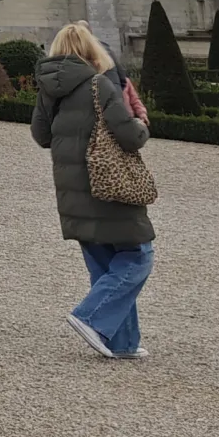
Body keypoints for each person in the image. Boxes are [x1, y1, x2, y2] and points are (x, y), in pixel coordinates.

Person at [32, 19, 155, 360]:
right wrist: (142, 124)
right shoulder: (100, 84)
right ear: (91, 51)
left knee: (105, 262)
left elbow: (41, 136)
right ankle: (90, 316)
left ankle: (122, 342)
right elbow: (129, 136)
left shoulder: (49, 90)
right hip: (108, 184)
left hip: (73, 191)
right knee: (138, 256)